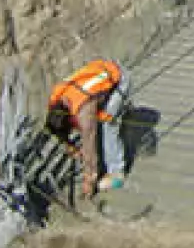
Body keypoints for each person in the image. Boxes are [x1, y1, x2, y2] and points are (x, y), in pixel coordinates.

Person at [45, 59, 131, 197]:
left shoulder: (84, 112)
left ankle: (117, 172)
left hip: (119, 79)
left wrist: (89, 179)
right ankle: (105, 98)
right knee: (94, 123)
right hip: (100, 73)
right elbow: (56, 129)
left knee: (107, 124)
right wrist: (70, 146)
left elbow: (89, 147)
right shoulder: (56, 102)